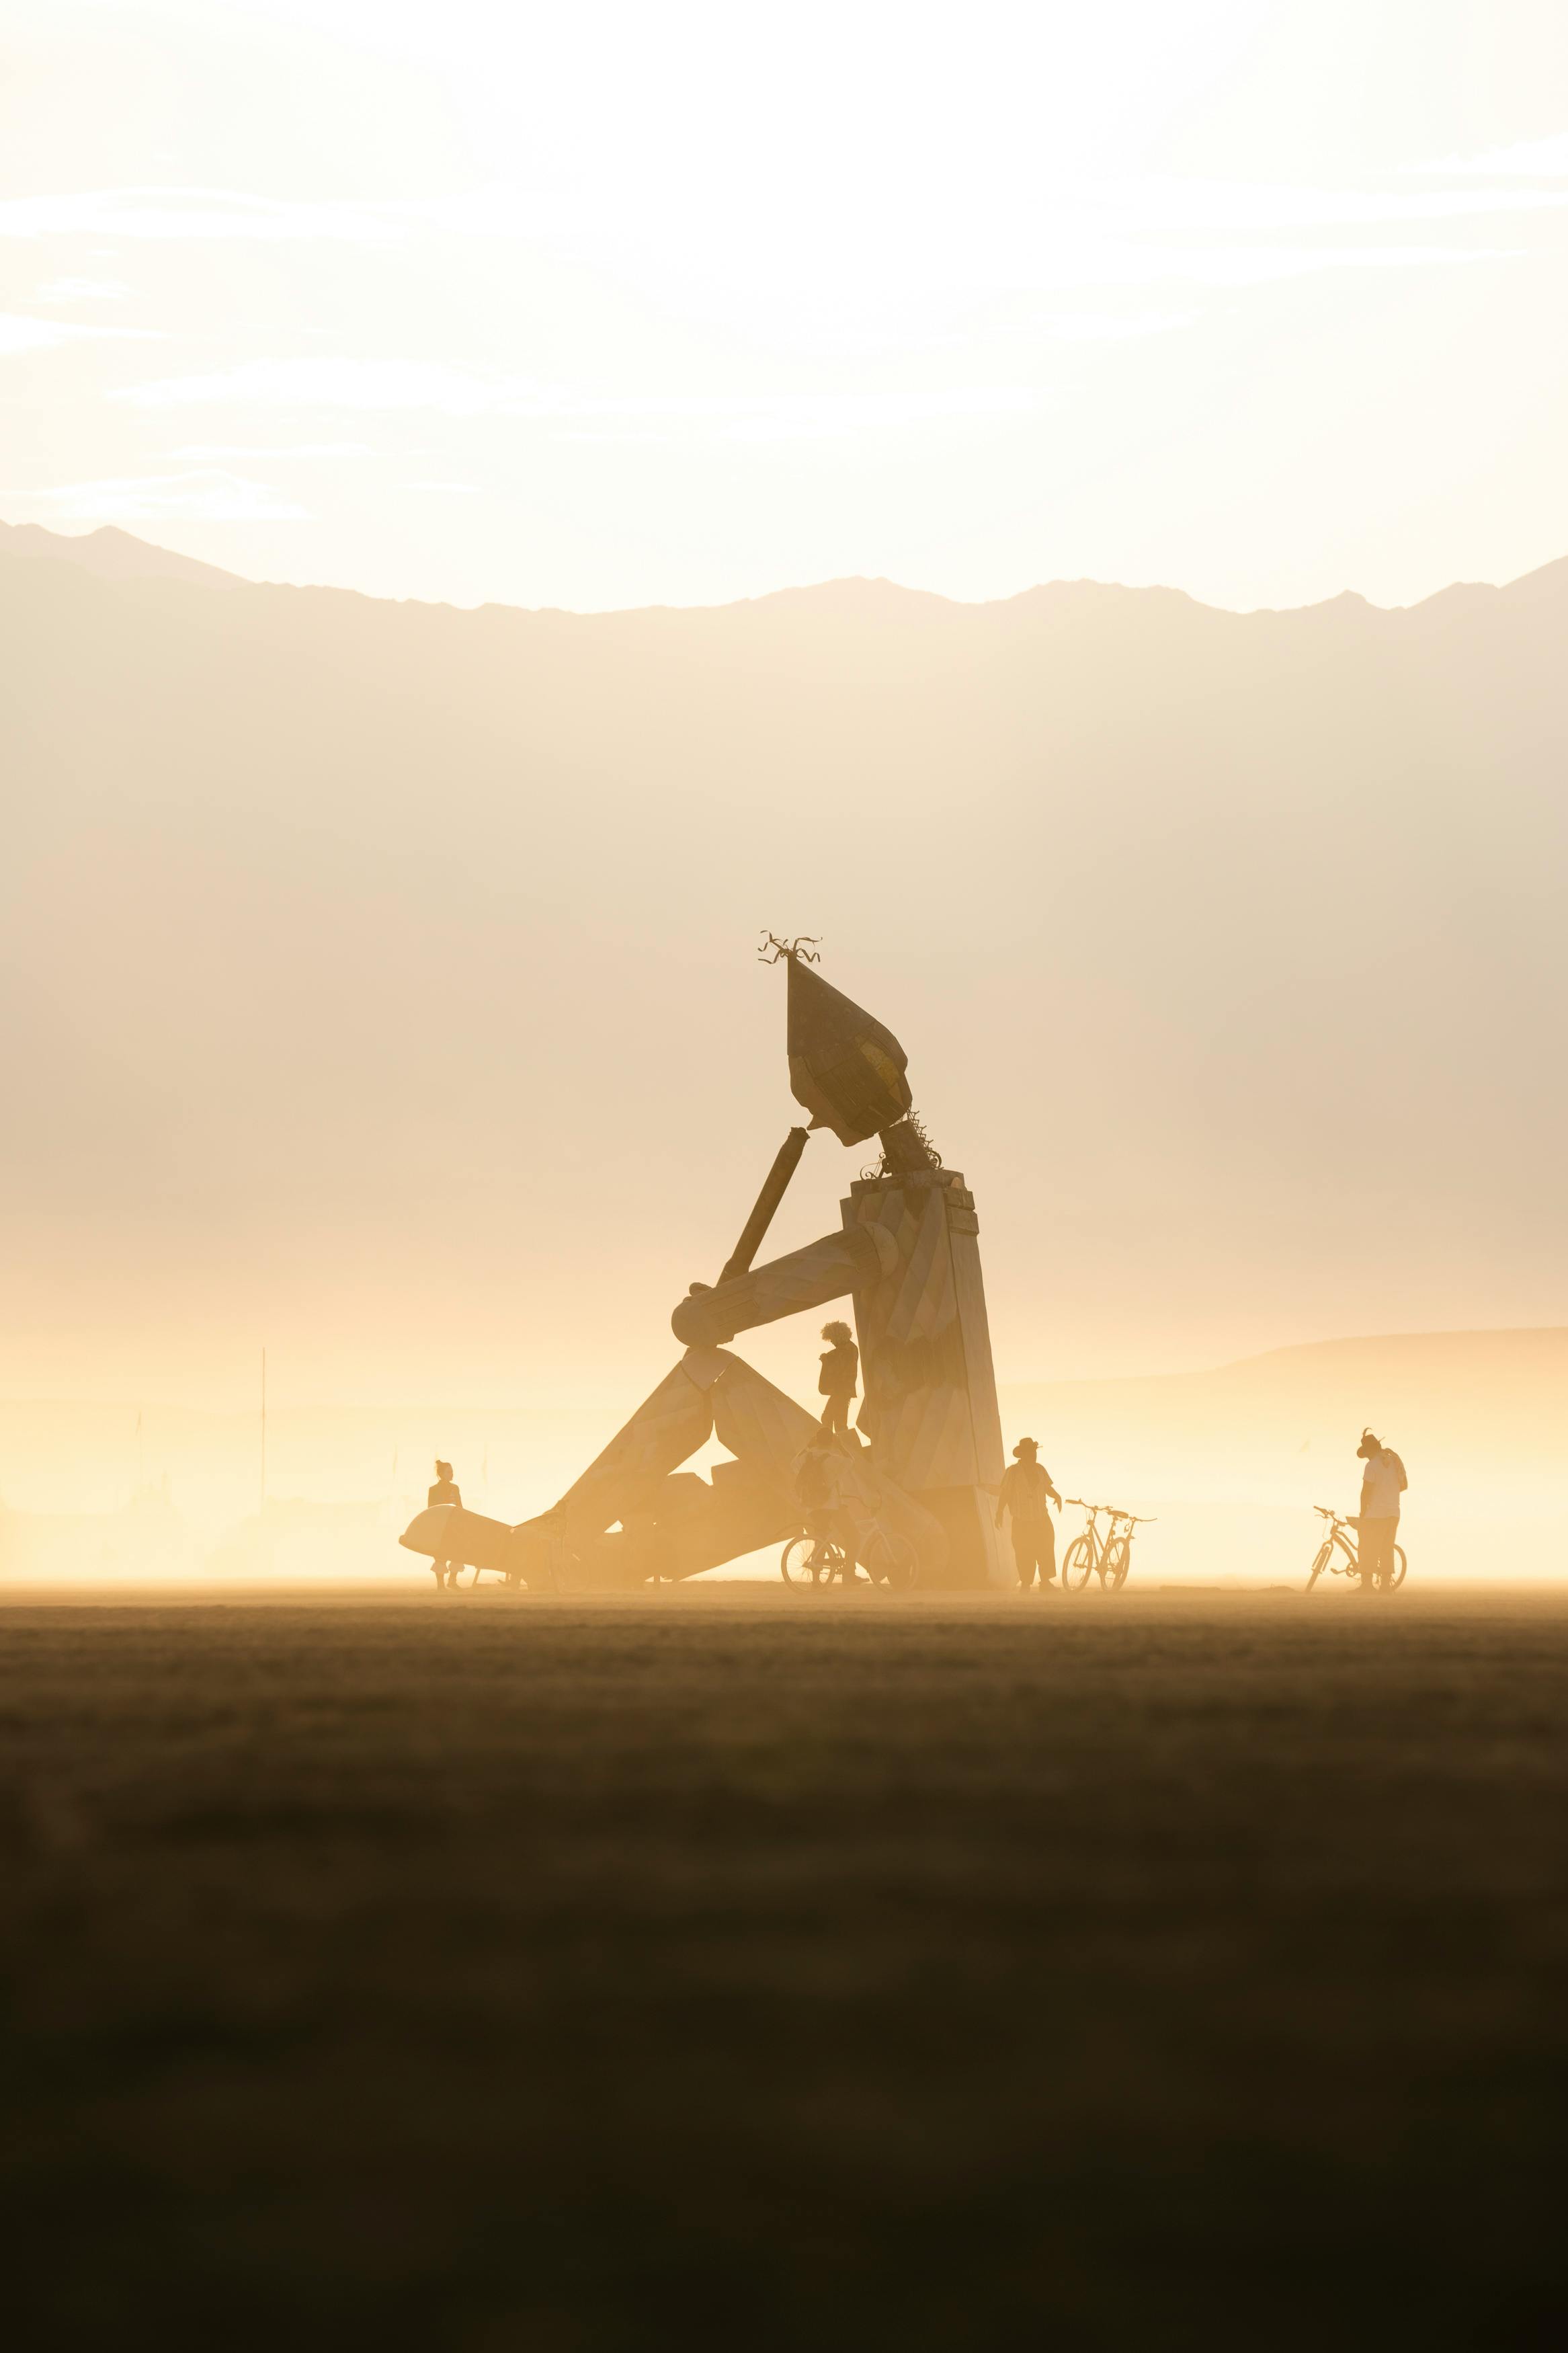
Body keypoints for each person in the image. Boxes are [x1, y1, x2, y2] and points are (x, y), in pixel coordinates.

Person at [995, 1437, 1062, 1589]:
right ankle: (1026, 1583)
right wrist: (999, 1511)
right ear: (1023, 1454)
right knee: (1024, 1551)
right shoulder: (1012, 1472)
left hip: (1041, 1518)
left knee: (1046, 1548)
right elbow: (1005, 1493)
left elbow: (1047, 1487)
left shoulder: (1040, 1469)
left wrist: (1057, 1496)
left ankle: (1045, 1582)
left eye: (1034, 1452)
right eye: (1030, 1452)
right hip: (1021, 1520)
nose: (1034, 1455)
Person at [1353, 1428, 1407, 1592]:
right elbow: (1404, 1486)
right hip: (1394, 1512)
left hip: (1376, 1514)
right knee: (1386, 1549)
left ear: (1369, 1451)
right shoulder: (1394, 1461)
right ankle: (1385, 1586)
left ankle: (1367, 1586)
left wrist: (1362, 1514)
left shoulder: (1372, 1466)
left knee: (1368, 1548)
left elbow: (1365, 1493)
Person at [817, 1320, 859, 1437]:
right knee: (835, 1421)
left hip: (842, 1391)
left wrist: (826, 1359)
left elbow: (838, 1364)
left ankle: (838, 1446)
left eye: (832, 1338)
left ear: (838, 1336)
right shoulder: (850, 1348)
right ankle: (837, 1444)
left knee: (834, 1421)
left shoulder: (847, 1350)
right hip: (842, 1391)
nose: (831, 1341)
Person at [427, 1458, 462, 1589]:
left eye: (452, 1471)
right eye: (449, 1472)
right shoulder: (434, 1490)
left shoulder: (455, 1488)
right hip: (440, 1527)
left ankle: (452, 1581)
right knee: (440, 1556)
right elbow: (431, 1509)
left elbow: (460, 1507)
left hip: (455, 1525)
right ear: (442, 1474)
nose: (452, 1474)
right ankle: (440, 1585)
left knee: (457, 1552)